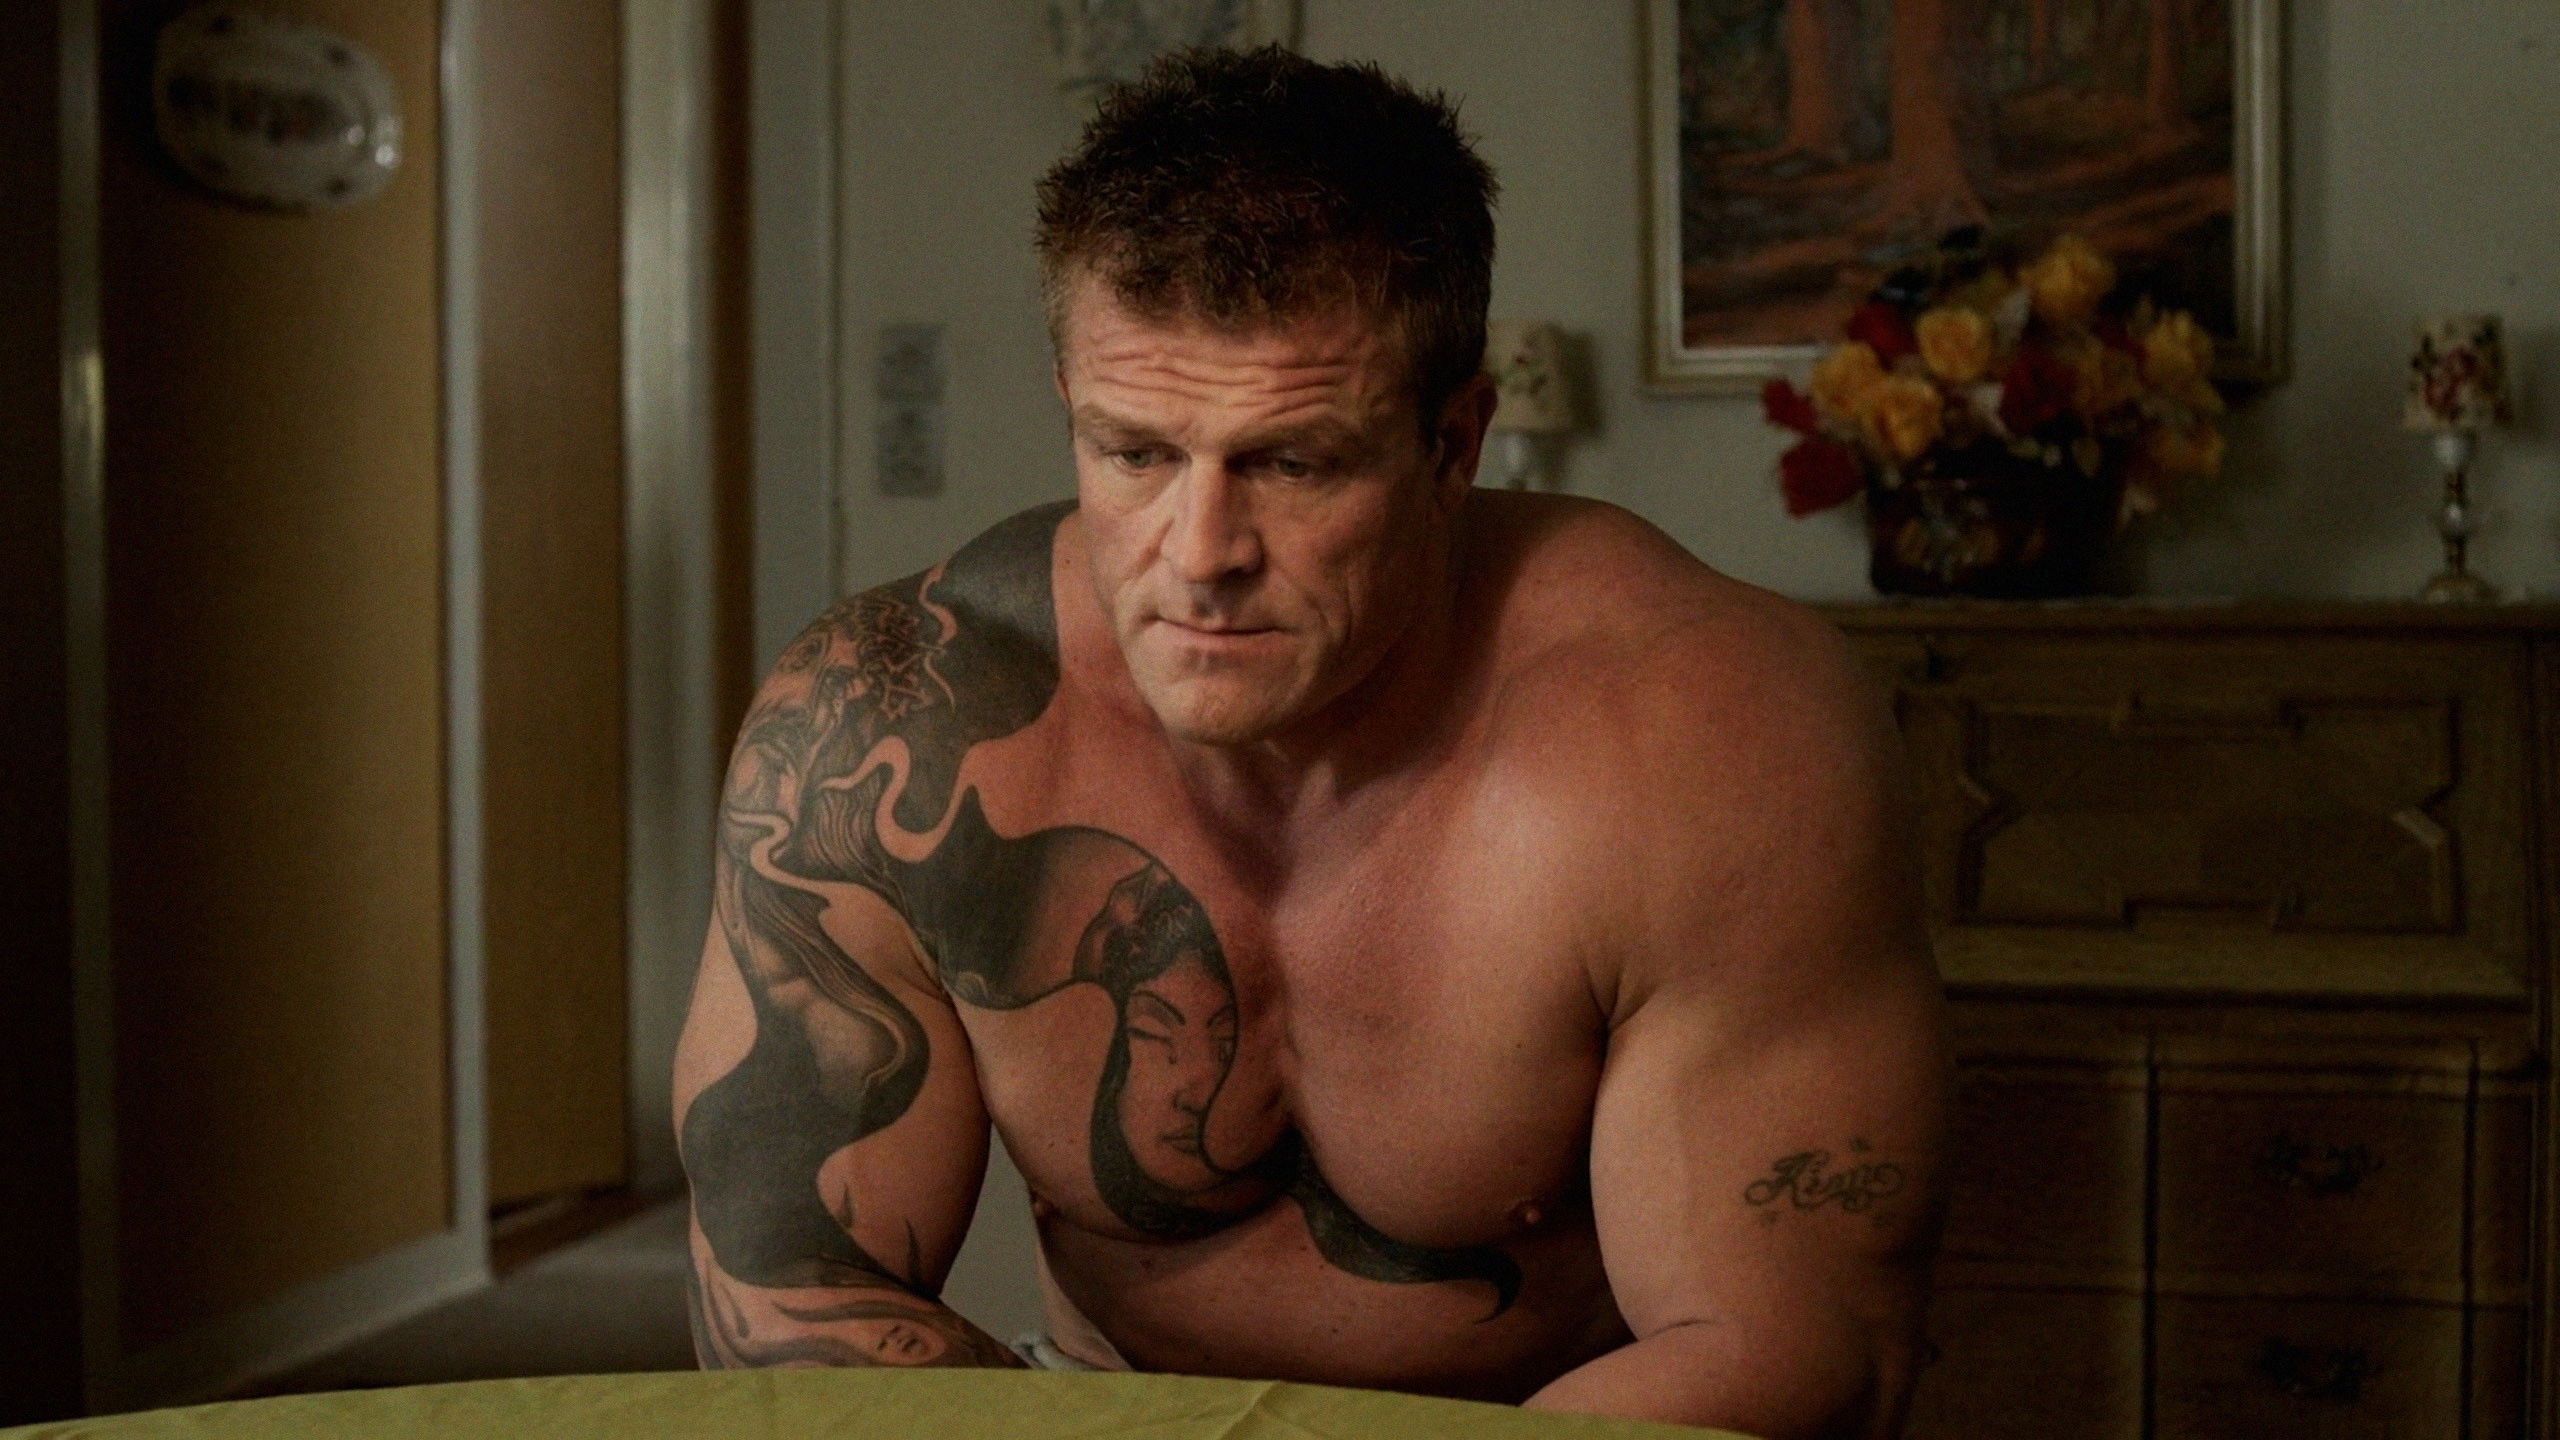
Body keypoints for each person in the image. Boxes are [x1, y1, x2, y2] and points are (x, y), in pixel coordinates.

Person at [672, 45, 1948, 1438]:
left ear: (1454, 446)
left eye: (1291, 463)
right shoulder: (888, 728)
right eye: (1136, 453)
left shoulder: (1704, 733)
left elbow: (1794, 1350)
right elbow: (789, 1293)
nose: (1199, 554)